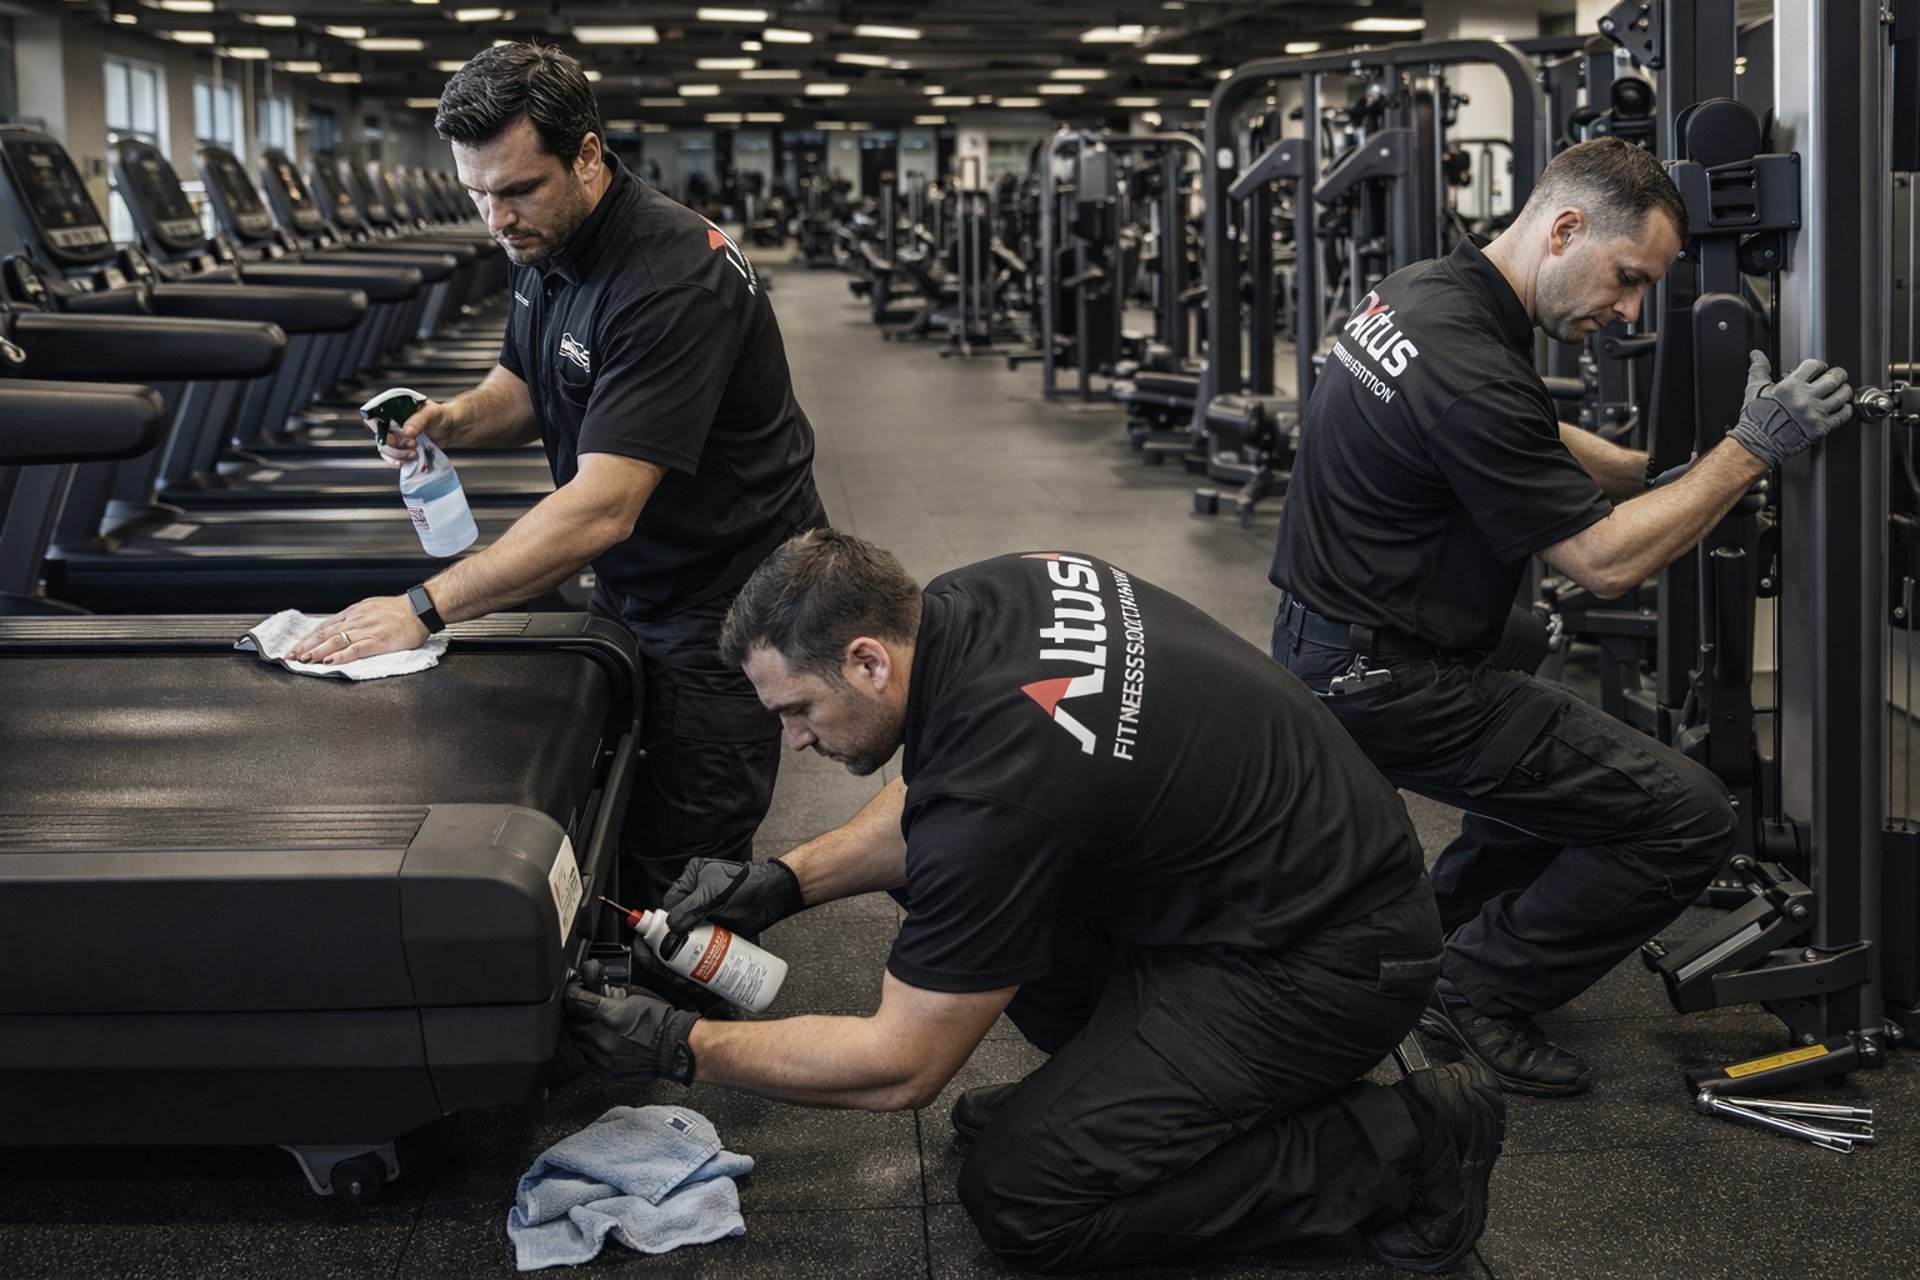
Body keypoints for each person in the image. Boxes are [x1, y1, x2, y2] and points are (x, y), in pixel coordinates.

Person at [564, 530, 1507, 1275]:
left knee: (1024, 1199)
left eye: (796, 710)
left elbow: (900, 1067)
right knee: (938, 872)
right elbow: (954, 797)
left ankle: (1407, 1142)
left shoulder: (996, 800)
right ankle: (1112, 1092)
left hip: (1327, 964)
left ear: (866, 661)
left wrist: (683, 1047)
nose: (795, 742)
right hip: (1263, 890)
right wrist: (786, 879)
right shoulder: (982, 594)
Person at [1267, 136, 1855, 1096]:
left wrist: (1665, 475)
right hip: (1386, 677)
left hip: (1336, 629)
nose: (1627, 311)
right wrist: (1751, 450)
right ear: (1566, 227)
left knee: (1544, 676)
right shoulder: (1470, 362)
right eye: (1626, 279)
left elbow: (1528, 433)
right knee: (1688, 820)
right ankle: (1473, 985)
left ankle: (1445, 930)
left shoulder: (1427, 293)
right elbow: (1602, 562)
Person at [291, 43, 827, 898]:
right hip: (639, 580)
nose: (496, 219)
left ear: (586, 156)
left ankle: (684, 1024)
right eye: (477, 194)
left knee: (679, 868)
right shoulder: (547, 247)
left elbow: (603, 508)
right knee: (612, 805)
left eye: (515, 190)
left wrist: (421, 609)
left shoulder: (666, 278)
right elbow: (531, 381)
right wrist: (454, 419)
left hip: (725, 600)